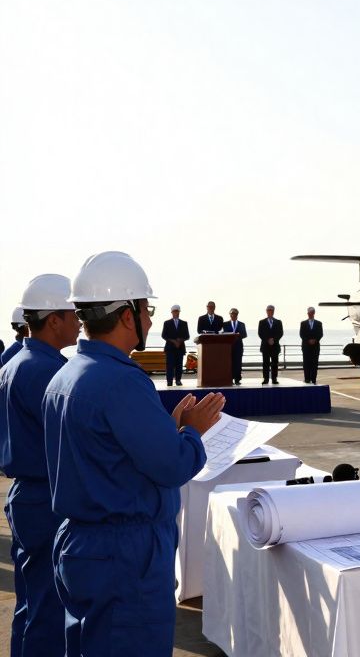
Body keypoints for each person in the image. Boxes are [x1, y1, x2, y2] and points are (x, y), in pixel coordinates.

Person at [43, 251, 224, 655]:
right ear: (128, 315)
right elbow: (174, 465)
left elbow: (111, 452)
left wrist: (171, 428)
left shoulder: (66, 375)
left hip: (81, 545)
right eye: (147, 309)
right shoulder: (121, 382)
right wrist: (192, 433)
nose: (151, 319)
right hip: (123, 556)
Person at [0, 274, 81, 656]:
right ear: (53, 320)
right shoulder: (46, 371)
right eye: (72, 312)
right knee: (48, 611)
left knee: (31, 604)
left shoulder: (17, 362)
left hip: (28, 495)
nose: (80, 320)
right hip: (46, 497)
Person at [160, 304, 190, 387]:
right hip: (170, 348)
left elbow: (187, 336)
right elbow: (164, 335)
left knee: (179, 365)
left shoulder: (184, 323)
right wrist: (173, 341)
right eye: (174, 311)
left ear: (179, 312)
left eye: (177, 311)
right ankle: (169, 381)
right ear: (171, 312)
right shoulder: (167, 323)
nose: (176, 313)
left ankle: (178, 380)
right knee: (170, 365)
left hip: (180, 348)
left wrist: (180, 340)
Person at [258, 304, 284, 384]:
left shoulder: (278, 322)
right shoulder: (261, 322)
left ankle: (274, 379)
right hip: (265, 346)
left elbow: (281, 333)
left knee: (275, 363)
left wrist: (274, 339)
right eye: (269, 310)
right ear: (266, 311)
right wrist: (267, 340)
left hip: (275, 345)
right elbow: (260, 333)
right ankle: (266, 379)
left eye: (271, 310)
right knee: (265, 363)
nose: (270, 312)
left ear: (273, 311)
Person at [300, 306, 323, 384]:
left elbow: (320, 334)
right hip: (306, 347)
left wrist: (315, 340)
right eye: (309, 312)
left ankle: (313, 379)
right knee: (306, 363)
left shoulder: (319, 323)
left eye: (312, 312)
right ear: (307, 313)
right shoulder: (303, 323)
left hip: (315, 347)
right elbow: (301, 334)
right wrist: (308, 340)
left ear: (314, 313)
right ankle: (307, 378)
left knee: (314, 363)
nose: (310, 314)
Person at [226, 308, 247, 384]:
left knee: (238, 363)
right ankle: (230, 378)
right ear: (230, 315)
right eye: (232, 314)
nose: (233, 315)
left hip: (238, 346)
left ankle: (237, 379)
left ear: (237, 315)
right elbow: (224, 334)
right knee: (229, 363)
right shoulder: (225, 324)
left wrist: (238, 335)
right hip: (229, 347)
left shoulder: (241, 324)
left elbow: (245, 334)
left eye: (235, 314)